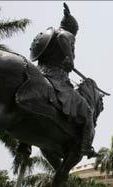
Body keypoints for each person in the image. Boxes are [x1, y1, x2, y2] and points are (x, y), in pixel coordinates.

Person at [30, 3, 95, 158]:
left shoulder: (47, 35)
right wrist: (69, 58)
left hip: (38, 73)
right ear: (73, 29)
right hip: (56, 78)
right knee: (87, 112)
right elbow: (63, 38)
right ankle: (86, 147)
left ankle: (25, 143)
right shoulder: (66, 34)